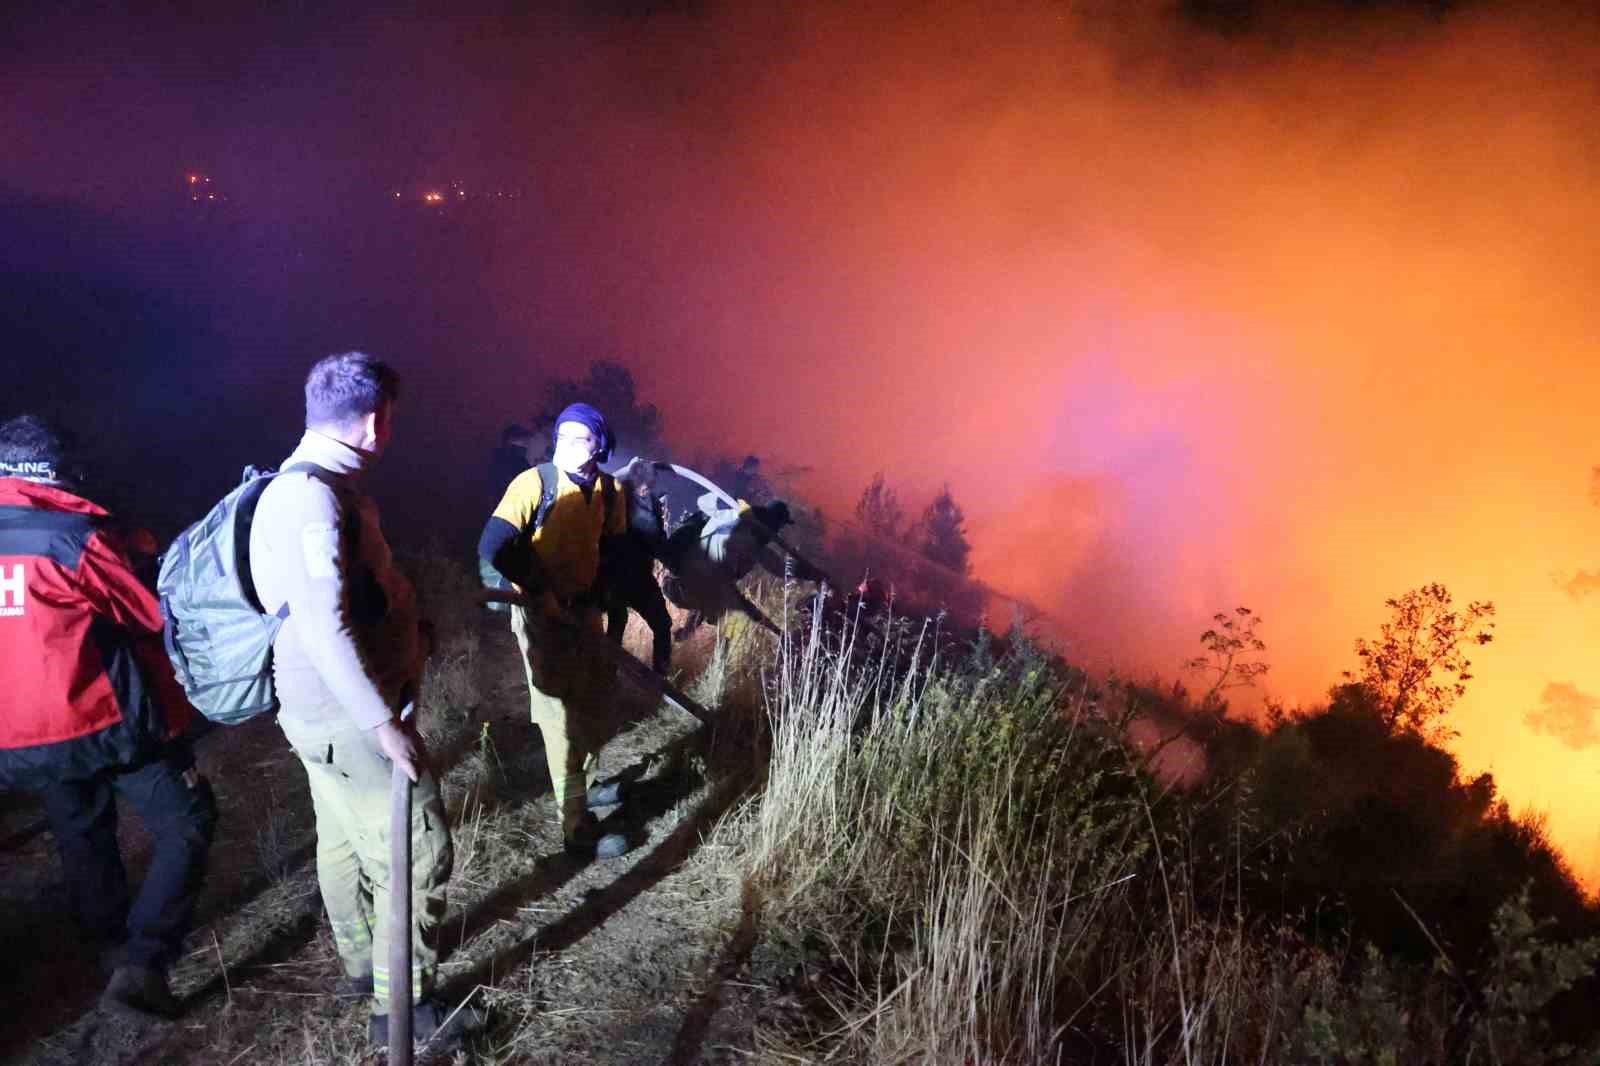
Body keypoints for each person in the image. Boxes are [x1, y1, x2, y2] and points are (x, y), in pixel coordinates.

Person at [248, 351, 476, 1047]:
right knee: (421, 849)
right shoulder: (313, 499)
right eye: (390, 421)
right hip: (348, 719)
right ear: (374, 424)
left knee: (344, 839)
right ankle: (399, 1013)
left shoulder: (294, 486)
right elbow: (322, 623)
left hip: (317, 717)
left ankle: (360, 965)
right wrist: (382, 723)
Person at [0, 414, 216, 1020]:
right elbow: (147, 612)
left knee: (81, 836)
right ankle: (143, 961)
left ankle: (108, 949)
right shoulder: (71, 537)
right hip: (102, 719)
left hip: (22, 735)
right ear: (56, 469)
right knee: (188, 819)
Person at [479, 402, 629, 859]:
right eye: (561, 436)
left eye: (579, 438)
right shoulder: (534, 483)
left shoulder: (609, 491)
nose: (567, 445)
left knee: (592, 701)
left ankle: (586, 786)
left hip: (583, 613)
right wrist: (540, 590)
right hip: (538, 613)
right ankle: (576, 828)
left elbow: (614, 549)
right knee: (558, 717)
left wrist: (602, 601)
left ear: (600, 445)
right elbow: (492, 545)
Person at [662, 496, 822, 639]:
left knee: (712, 599)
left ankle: (684, 636)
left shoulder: (732, 527)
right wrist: (814, 575)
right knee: (728, 628)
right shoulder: (750, 545)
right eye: (779, 527)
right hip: (683, 588)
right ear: (773, 525)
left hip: (674, 585)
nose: (778, 532)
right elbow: (781, 570)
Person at [600, 458, 673, 675]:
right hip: (617, 575)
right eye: (646, 483)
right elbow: (655, 540)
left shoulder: (649, 502)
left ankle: (659, 679)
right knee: (619, 622)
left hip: (636, 575)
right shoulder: (617, 498)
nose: (647, 488)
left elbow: (657, 541)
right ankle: (607, 674)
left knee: (660, 624)